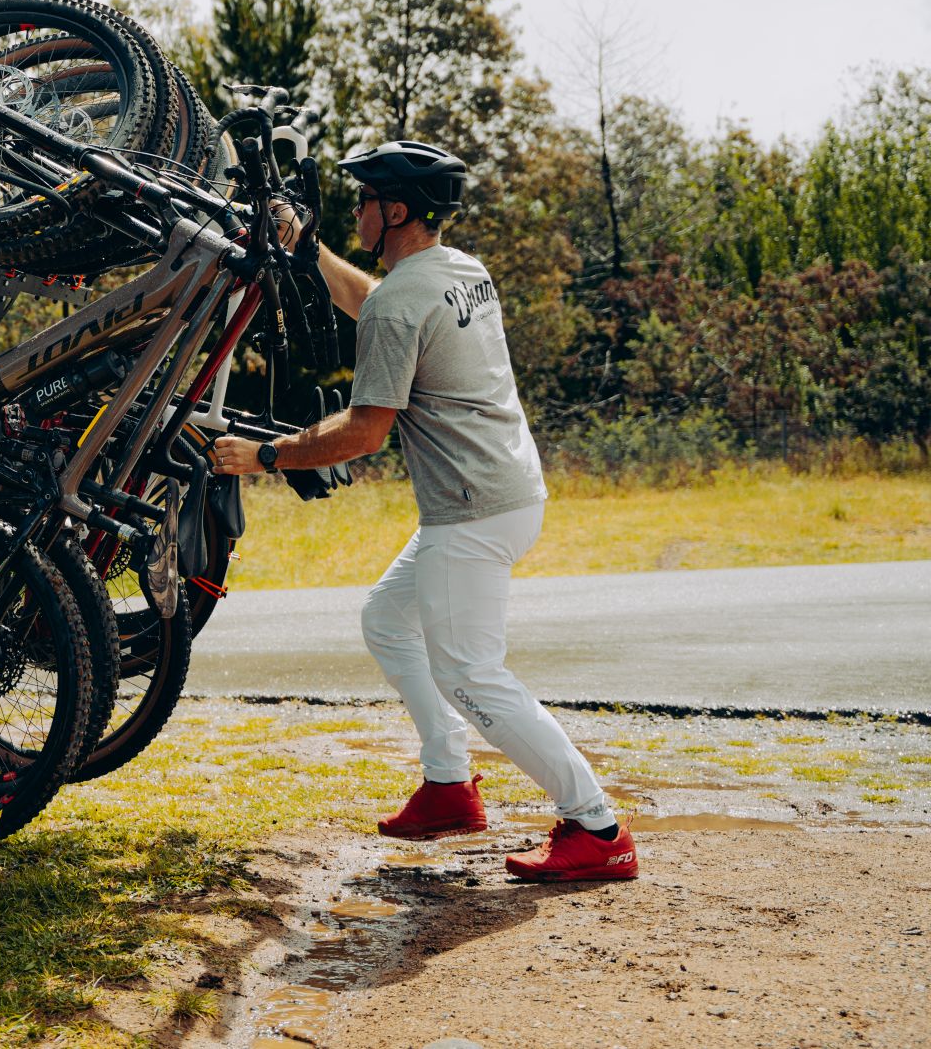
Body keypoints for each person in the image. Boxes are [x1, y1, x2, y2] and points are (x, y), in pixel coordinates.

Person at [212, 140, 638, 883]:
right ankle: (449, 786)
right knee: (386, 617)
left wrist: (264, 456)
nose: (357, 210)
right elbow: (371, 298)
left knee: (473, 676)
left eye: (365, 200)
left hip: (470, 514)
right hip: (508, 494)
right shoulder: (461, 272)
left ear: (396, 210)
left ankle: (597, 827)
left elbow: (365, 432)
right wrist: (307, 251)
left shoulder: (399, 302)